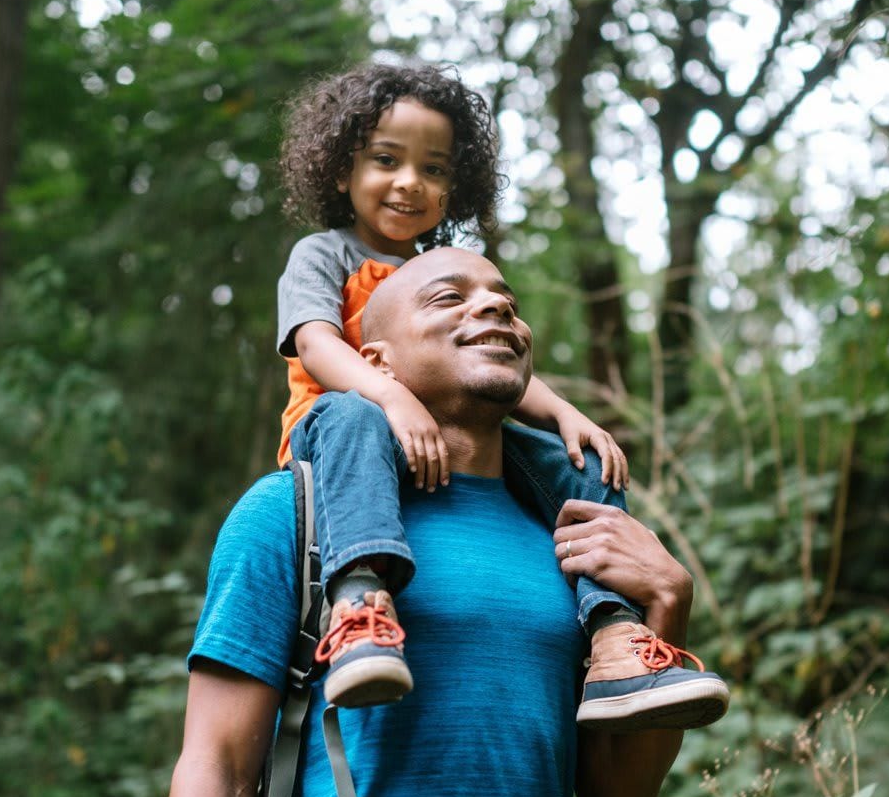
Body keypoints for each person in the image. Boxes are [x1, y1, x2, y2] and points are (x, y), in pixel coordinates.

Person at [153, 247, 726, 797]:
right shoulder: (292, 514)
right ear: (372, 362)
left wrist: (666, 607)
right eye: (450, 295)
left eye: (506, 298)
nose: (496, 308)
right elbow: (213, 771)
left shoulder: (571, 539)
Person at [274, 61, 728, 729]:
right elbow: (316, 345)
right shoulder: (324, 255)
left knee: (579, 464)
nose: (410, 183)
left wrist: (566, 414)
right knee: (350, 412)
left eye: (433, 170)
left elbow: (491, 363)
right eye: (386, 160)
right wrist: (390, 397)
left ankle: (614, 636)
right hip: (344, 439)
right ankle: (361, 604)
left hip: (446, 440)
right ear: (341, 171)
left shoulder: (444, 267)